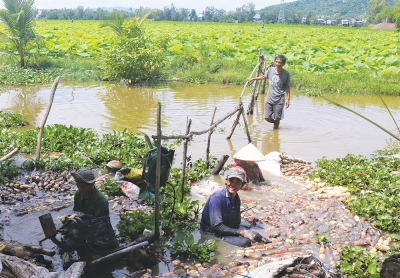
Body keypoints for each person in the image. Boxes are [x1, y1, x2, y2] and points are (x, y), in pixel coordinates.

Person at [200, 168, 269, 247]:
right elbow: (216, 226)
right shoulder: (217, 198)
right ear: (226, 181)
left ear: (242, 185)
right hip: (213, 232)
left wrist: (251, 233)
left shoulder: (236, 198)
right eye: (231, 181)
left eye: (237, 182)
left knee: (257, 228)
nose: (233, 185)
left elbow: (237, 223)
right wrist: (241, 232)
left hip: (228, 227)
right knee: (245, 243)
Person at [247, 54, 291, 129]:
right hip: (269, 99)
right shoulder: (270, 70)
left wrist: (288, 99)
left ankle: (275, 132)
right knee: (266, 117)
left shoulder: (286, 74)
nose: (277, 64)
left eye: (279, 62)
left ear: (283, 64)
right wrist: (253, 79)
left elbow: (288, 87)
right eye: (276, 62)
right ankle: (276, 124)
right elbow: (263, 77)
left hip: (279, 100)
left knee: (277, 118)